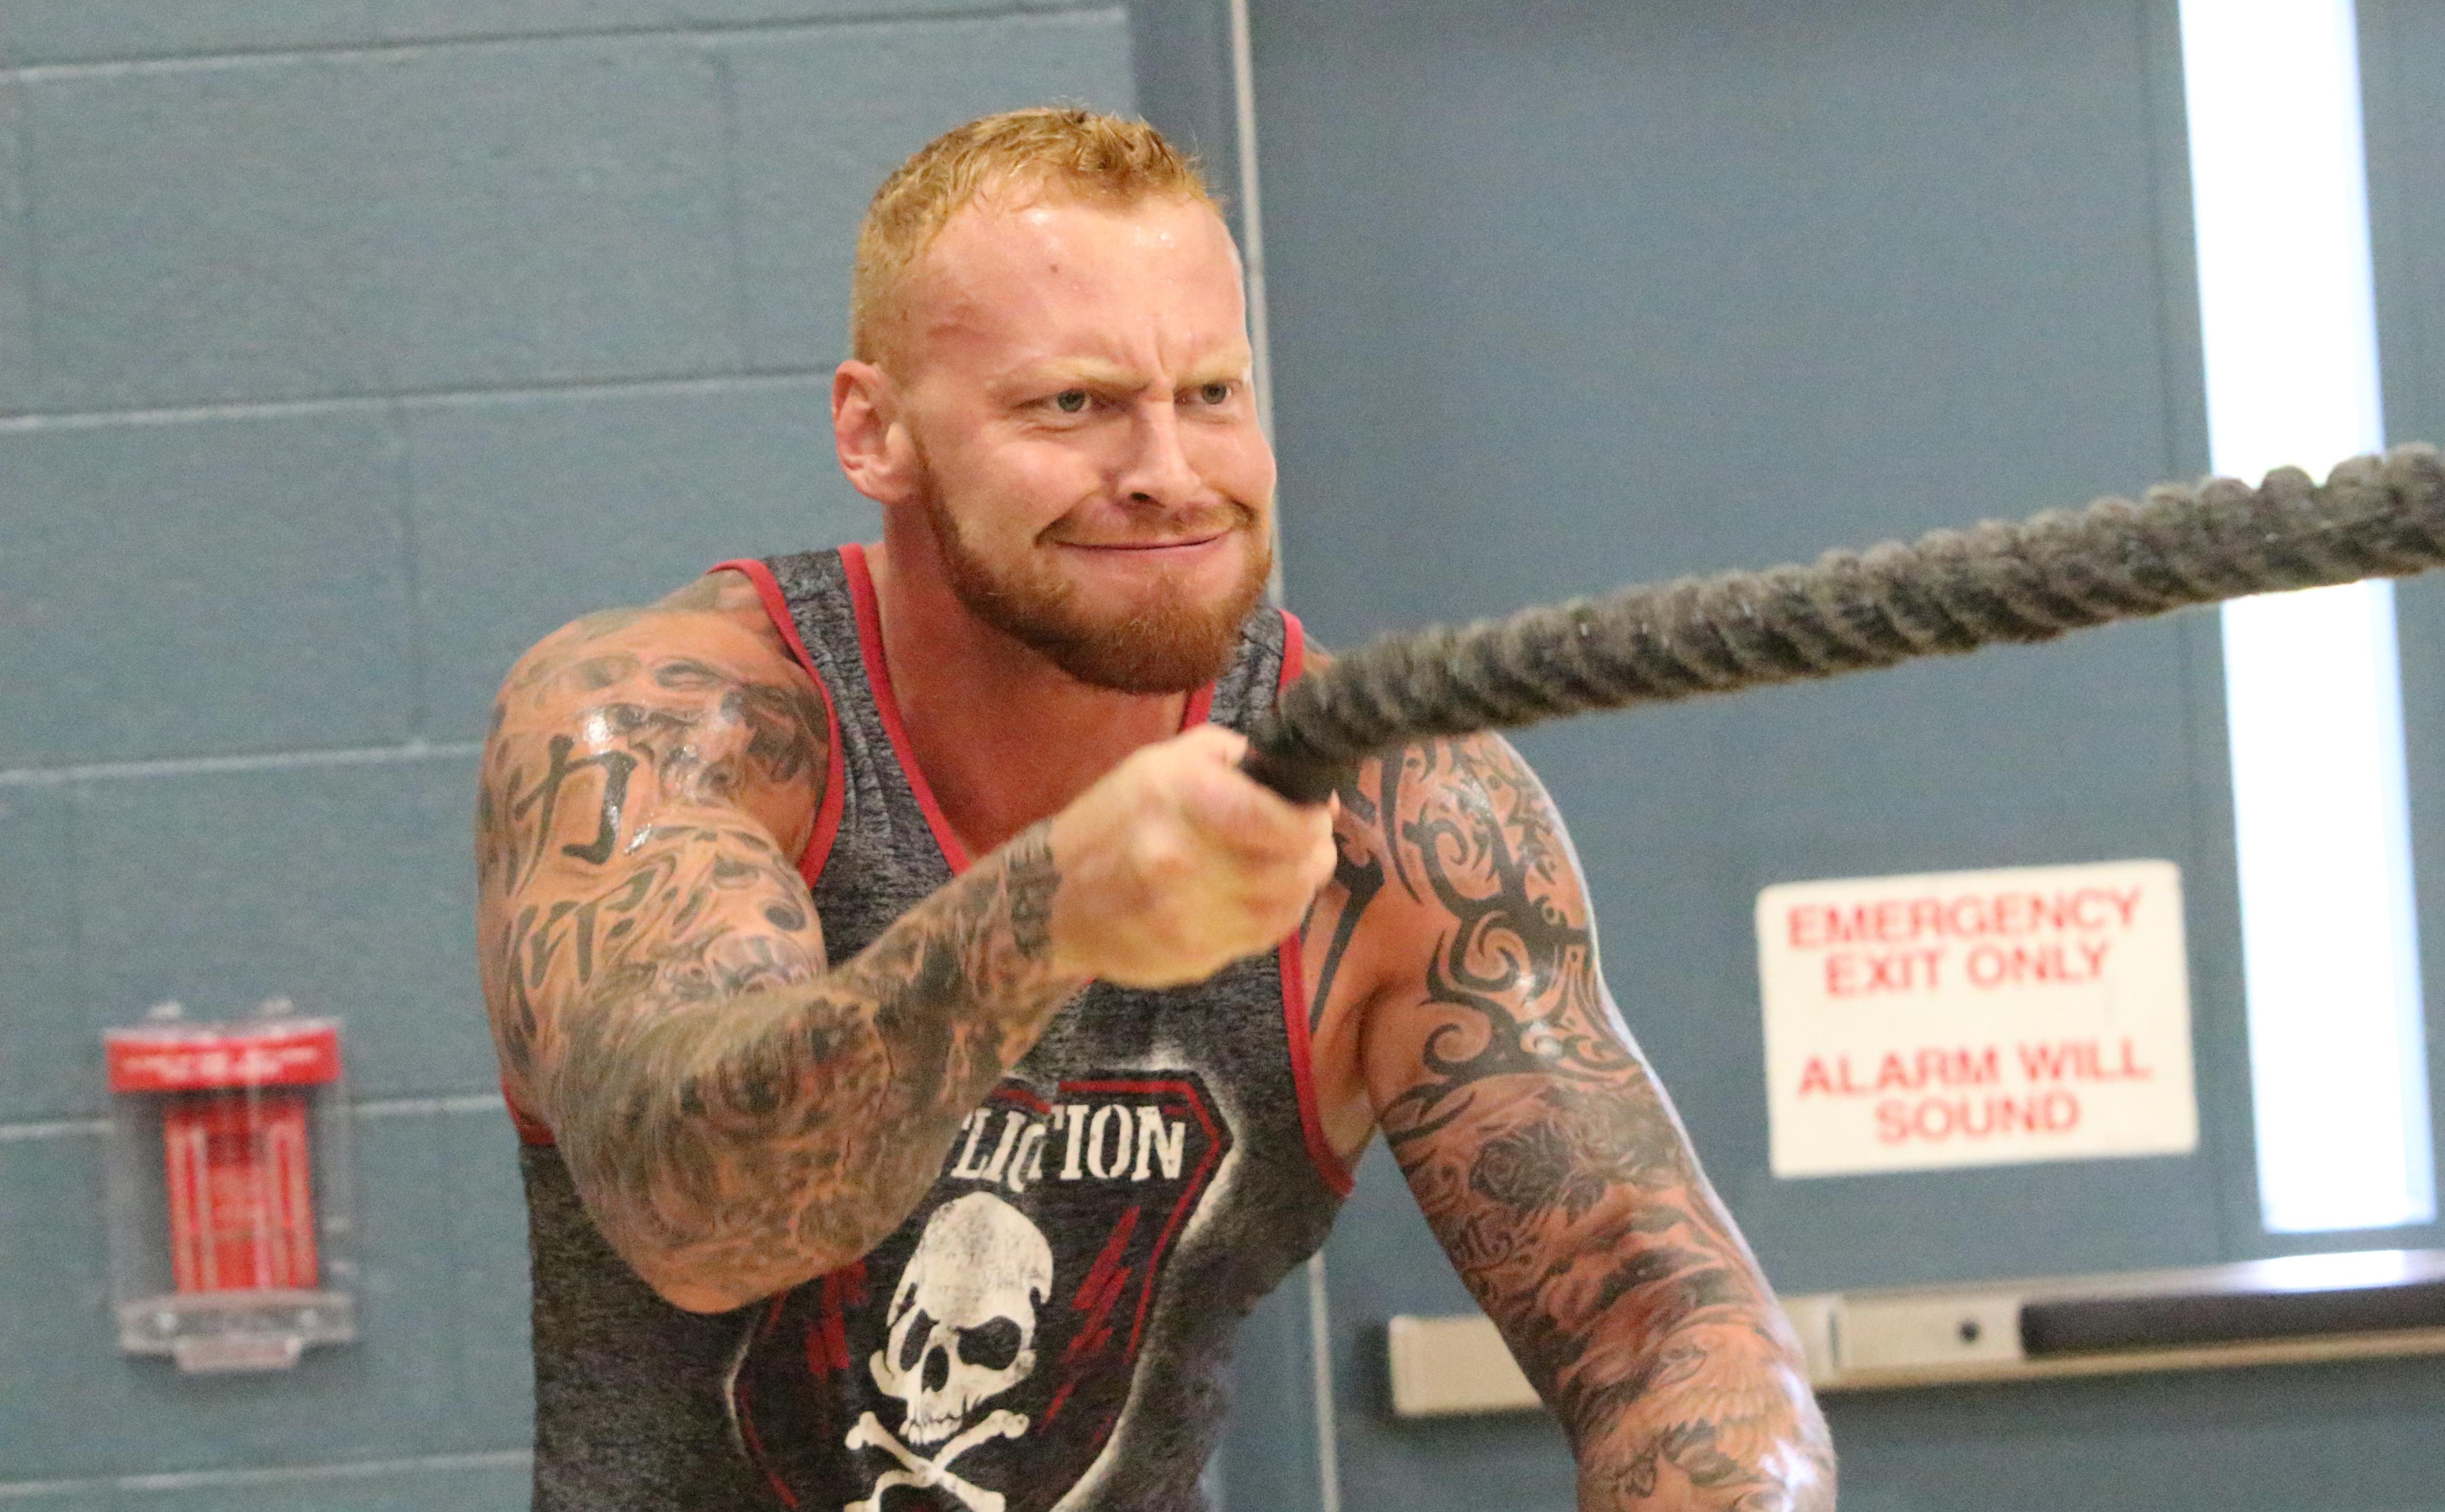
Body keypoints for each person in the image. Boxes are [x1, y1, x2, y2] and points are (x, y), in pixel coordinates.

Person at [474, 106, 1832, 1512]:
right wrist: (1047, 914)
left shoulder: (1401, 810)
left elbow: (1668, 1329)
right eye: (1073, 404)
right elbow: (696, 1205)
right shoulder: (671, 724)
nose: (1169, 472)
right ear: (874, 433)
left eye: (1211, 396)